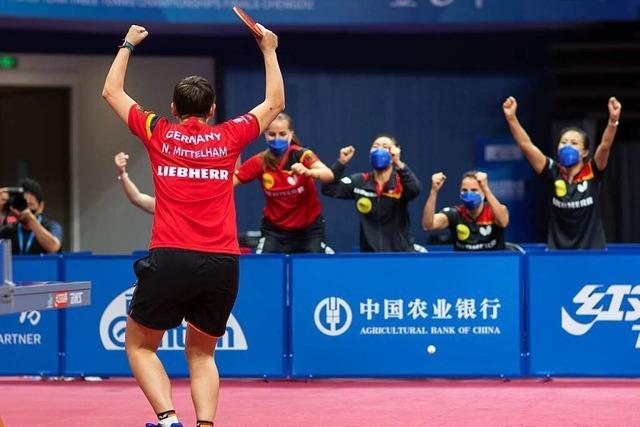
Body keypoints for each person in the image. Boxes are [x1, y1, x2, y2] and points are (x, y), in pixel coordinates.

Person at [102, 23, 284, 427]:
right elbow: (274, 102)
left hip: (171, 258)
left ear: (172, 107)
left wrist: (129, 43)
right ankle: (205, 425)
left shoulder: (158, 131)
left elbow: (111, 92)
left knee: (140, 346)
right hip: (222, 263)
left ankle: (168, 420)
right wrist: (269, 49)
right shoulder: (229, 136)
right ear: (213, 109)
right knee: (202, 354)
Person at [502, 96, 621, 249]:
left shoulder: (592, 171)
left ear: (584, 152)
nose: (567, 146)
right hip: (557, 252)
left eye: (574, 143)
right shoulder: (552, 171)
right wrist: (511, 118)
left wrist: (613, 121)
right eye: (563, 142)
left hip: (592, 251)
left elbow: (604, 146)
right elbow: (526, 146)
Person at [233, 112, 334, 253]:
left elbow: (328, 175)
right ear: (265, 135)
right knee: (265, 268)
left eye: (282, 134)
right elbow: (228, 183)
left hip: (309, 231)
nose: (277, 138)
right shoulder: (259, 161)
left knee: (313, 270)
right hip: (274, 232)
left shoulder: (302, 155)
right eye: (272, 134)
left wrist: (309, 172)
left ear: (290, 134)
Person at [321, 135, 422, 252]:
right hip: (370, 255)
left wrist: (398, 163)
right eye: (375, 146)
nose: (379, 150)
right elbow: (328, 189)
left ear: (395, 152)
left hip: (400, 253)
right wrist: (341, 163)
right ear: (369, 154)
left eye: (385, 147)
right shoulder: (360, 181)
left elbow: (415, 190)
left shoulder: (401, 182)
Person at [422, 171, 509, 251]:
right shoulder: (455, 213)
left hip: (494, 264)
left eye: (474, 190)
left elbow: (503, 222)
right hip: (464, 264)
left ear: (483, 192)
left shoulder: (494, 211)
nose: (469, 193)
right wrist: (434, 191)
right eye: (464, 190)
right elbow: (428, 225)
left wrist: (486, 188)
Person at [0, 178, 63, 254]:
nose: (26, 209)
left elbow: (54, 247)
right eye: (23, 205)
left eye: (31, 205)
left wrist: (30, 219)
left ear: (41, 207)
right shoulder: (8, 230)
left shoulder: (51, 226)